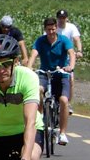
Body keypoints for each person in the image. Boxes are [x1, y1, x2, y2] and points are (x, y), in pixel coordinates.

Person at [28, 17, 76, 145]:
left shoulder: (63, 40)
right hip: (45, 73)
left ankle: (62, 133)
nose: (51, 32)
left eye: (53, 29)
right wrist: (29, 68)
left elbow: (71, 53)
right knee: (38, 90)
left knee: (63, 100)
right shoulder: (40, 41)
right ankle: (40, 120)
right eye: (49, 29)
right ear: (45, 29)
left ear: (56, 28)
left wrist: (70, 66)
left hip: (61, 74)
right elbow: (33, 54)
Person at [56, 9, 82, 114]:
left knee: (70, 80)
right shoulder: (53, 28)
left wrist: (79, 50)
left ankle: (68, 104)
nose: (61, 20)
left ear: (66, 18)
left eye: (63, 18)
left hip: (67, 56)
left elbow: (76, 39)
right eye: (60, 18)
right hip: (55, 56)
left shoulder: (71, 27)